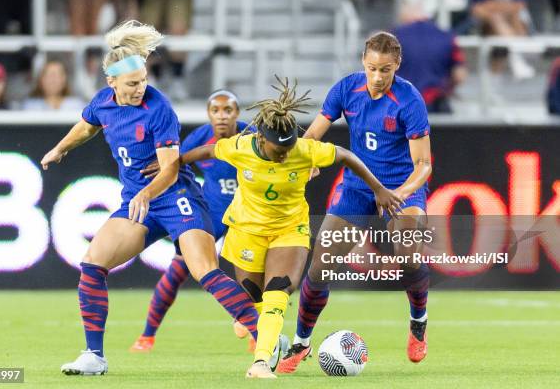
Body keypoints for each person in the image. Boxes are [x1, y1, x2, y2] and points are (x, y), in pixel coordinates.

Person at [40, 20, 259, 376]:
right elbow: (87, 124)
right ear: (111, 83)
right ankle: (94, 356)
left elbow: (170, 169)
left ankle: (265, 337)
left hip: (177, 197)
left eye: (143, 80)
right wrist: (60, 148)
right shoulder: (103, 103)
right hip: (138, 202)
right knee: (92, 264)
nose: (140, 88)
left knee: (204, 270)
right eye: (132, 83)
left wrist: (145, 192)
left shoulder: (159, 109)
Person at [175, 77, 403, 378]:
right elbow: (206, 152)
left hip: (289, 230)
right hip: (247, 230)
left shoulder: (304, 149)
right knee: (251, 307)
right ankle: (268, 338)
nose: (284, 155)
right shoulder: (241, 146)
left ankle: (259, 363)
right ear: (261, 139)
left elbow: (346, 156)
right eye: (277, 150)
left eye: (288, 149)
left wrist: (378, 189)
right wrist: (175, 165)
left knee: (276, 297)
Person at [278, 32, 433, 373]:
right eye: (373, 68)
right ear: (363, 61)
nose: (378, 77)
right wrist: (309, 160)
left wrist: (398, 195)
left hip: (401, 188)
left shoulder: (409, 100)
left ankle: (418, 318)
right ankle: (302, 342)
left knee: (408, 253)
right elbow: (313, 135)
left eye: (386, 70)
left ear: (397, 66)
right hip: (358, 188)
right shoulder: (347, 89)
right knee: (320, 266)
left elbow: (424, 166)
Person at [129, 89, 255, 353]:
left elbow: (285, 151)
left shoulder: (253, 136)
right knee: (177, 272)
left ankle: (256, 332)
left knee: (255, 272)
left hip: (248, 214)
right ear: (209, 114)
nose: (222, 116)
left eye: (228, 110)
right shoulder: (199, 138)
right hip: (212, 214)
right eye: (215, 110)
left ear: (237, 113)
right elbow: (175, 169)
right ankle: (147, 335)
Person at [393, 0, 467, 113]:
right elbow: (459, 75)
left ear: (409, 7)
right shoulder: (447, 37)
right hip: (437, 106)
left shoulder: (392, 37)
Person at [470, 0, 534, 79]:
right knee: (496, 19)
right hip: (491, 23)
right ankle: (516, 55)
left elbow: (519, 5)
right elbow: (477, 9)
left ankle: (512, 54)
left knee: (511, 18)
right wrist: (501, 7)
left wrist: (493, 6)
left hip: (511, 23)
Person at [21, 60, 85, 111]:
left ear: (64, 80)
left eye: (57, 75)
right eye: (49, 76)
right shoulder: (30, 106)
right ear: (41, 80)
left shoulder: (76, 105)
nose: (53, 80)